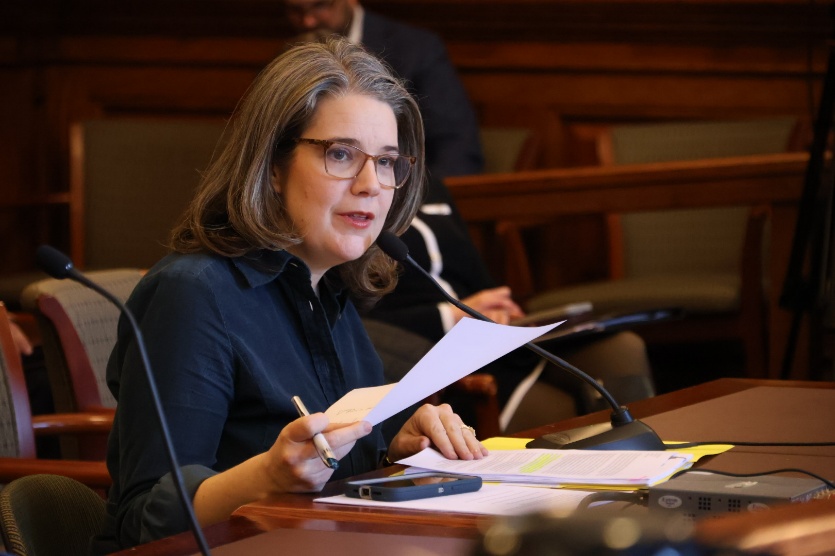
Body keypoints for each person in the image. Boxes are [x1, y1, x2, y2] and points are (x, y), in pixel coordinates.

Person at [92, 37, 487, 553]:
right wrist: (267, 477)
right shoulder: (192, 295)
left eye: (387, 161)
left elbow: (333, 472)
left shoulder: (328, 287)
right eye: (341, 154)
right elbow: (143, 521)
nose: (371, 184)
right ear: (273, 167)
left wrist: (396, 440)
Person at [365, 175, 657, 433]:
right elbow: (361, 319)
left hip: (494, 333)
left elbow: (475, 273)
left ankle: (647, 464)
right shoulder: (359, 195)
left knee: (622, 349)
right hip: (431, 350)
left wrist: (500, 306)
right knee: (558, 410)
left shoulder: (431, 185)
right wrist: (448, 316)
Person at [281, 0, 484, 179]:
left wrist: (422, 201)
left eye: (320, 5)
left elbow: (456, 146)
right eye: (296, 10)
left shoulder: (417, 49)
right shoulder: (287, 56)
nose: (308, 21)